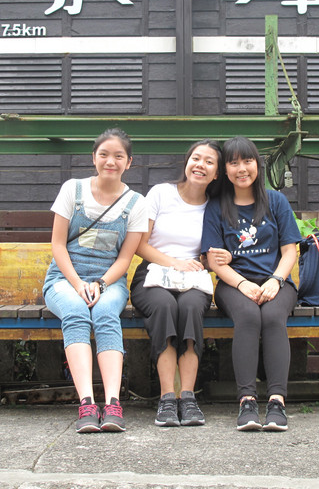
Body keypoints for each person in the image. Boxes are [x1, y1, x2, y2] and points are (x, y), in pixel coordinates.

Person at [42, 128, 148, 433]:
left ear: (129, 162)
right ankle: (87, 403)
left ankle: (113, 403)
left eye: (118, 156)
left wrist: (100, 284)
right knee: (76, 312)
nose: (110, 161)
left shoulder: (136, 203)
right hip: (64, 279)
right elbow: (58, 245)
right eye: (104, 154)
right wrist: (78, 284)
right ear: (94, 158)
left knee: (104, 313)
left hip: (110, 282)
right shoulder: (72, 190)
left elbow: (125, 259)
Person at [201, 136, 301, 432]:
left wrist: (276, 280)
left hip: (277, 283)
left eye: (248, 161)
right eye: (234, 163)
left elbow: (289, 251)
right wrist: (242, 284)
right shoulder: (217, 207)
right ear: (225, 170)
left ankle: (276, 402)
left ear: (258, 164)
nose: (242, 168)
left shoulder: (276, 201)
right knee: (247, 316)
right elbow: (214, 260)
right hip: (233, 285)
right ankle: (247, 401)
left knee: (272, 317)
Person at [130, 140, 230, 427]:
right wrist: (174, 263)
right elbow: (139, 244)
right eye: (196, 158)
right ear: (187, 162)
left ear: (216, 174)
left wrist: (222, 258)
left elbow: (211, 255)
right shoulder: (161, 193)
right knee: (163, 306)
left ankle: (187, 397)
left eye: (209, 162)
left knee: (190, 308)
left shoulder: (215, 207)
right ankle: (166, 398)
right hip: (153, 274)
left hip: (193, 278)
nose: (200, 165)